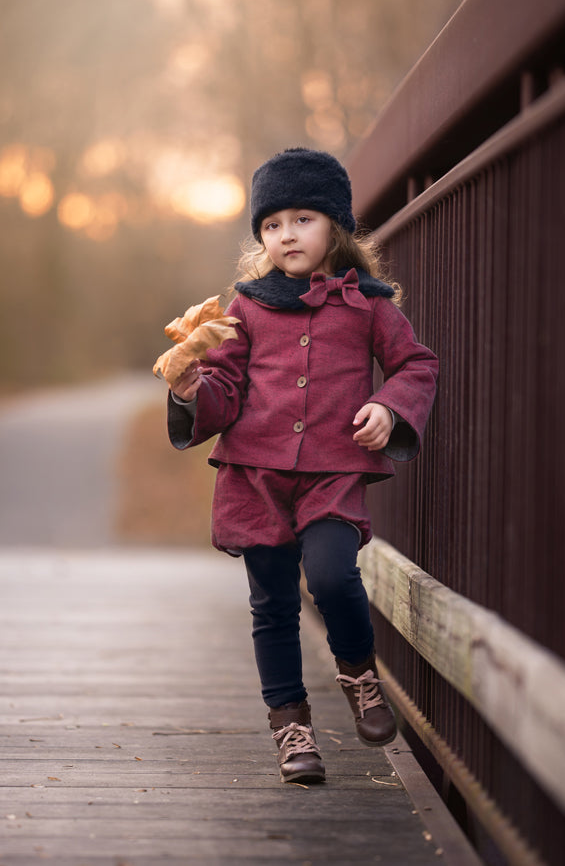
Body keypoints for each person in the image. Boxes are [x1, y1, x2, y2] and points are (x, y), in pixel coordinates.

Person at [166, 148, 438, 785]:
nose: (286, 233)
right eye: (272, 224)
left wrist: (389, 407)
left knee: (333, 575)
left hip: (333, 474)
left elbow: (416, 365)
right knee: (273, 603)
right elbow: (225, 390)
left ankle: (357, 671)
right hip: (253, 477)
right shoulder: (247, 307)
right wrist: (189, 392)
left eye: (302, 218)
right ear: (261, 237)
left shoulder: (366, 304)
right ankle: (291, 727)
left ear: (334, 225)